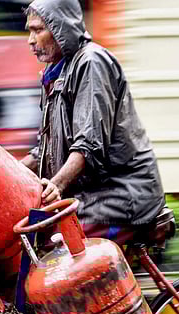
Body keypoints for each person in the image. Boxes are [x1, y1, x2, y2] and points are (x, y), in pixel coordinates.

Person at [20, 0, 165, 246]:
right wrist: (6, 172)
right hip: (93, 196)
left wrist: (56, 184)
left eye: (37, 30)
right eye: (29, 31)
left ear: (60, 28)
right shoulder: (55, 74)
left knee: (57, 245)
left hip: (120, 194)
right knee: (34, 236)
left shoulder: (91, 62)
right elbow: (43, 149)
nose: (30, 40)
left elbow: (88, 144)